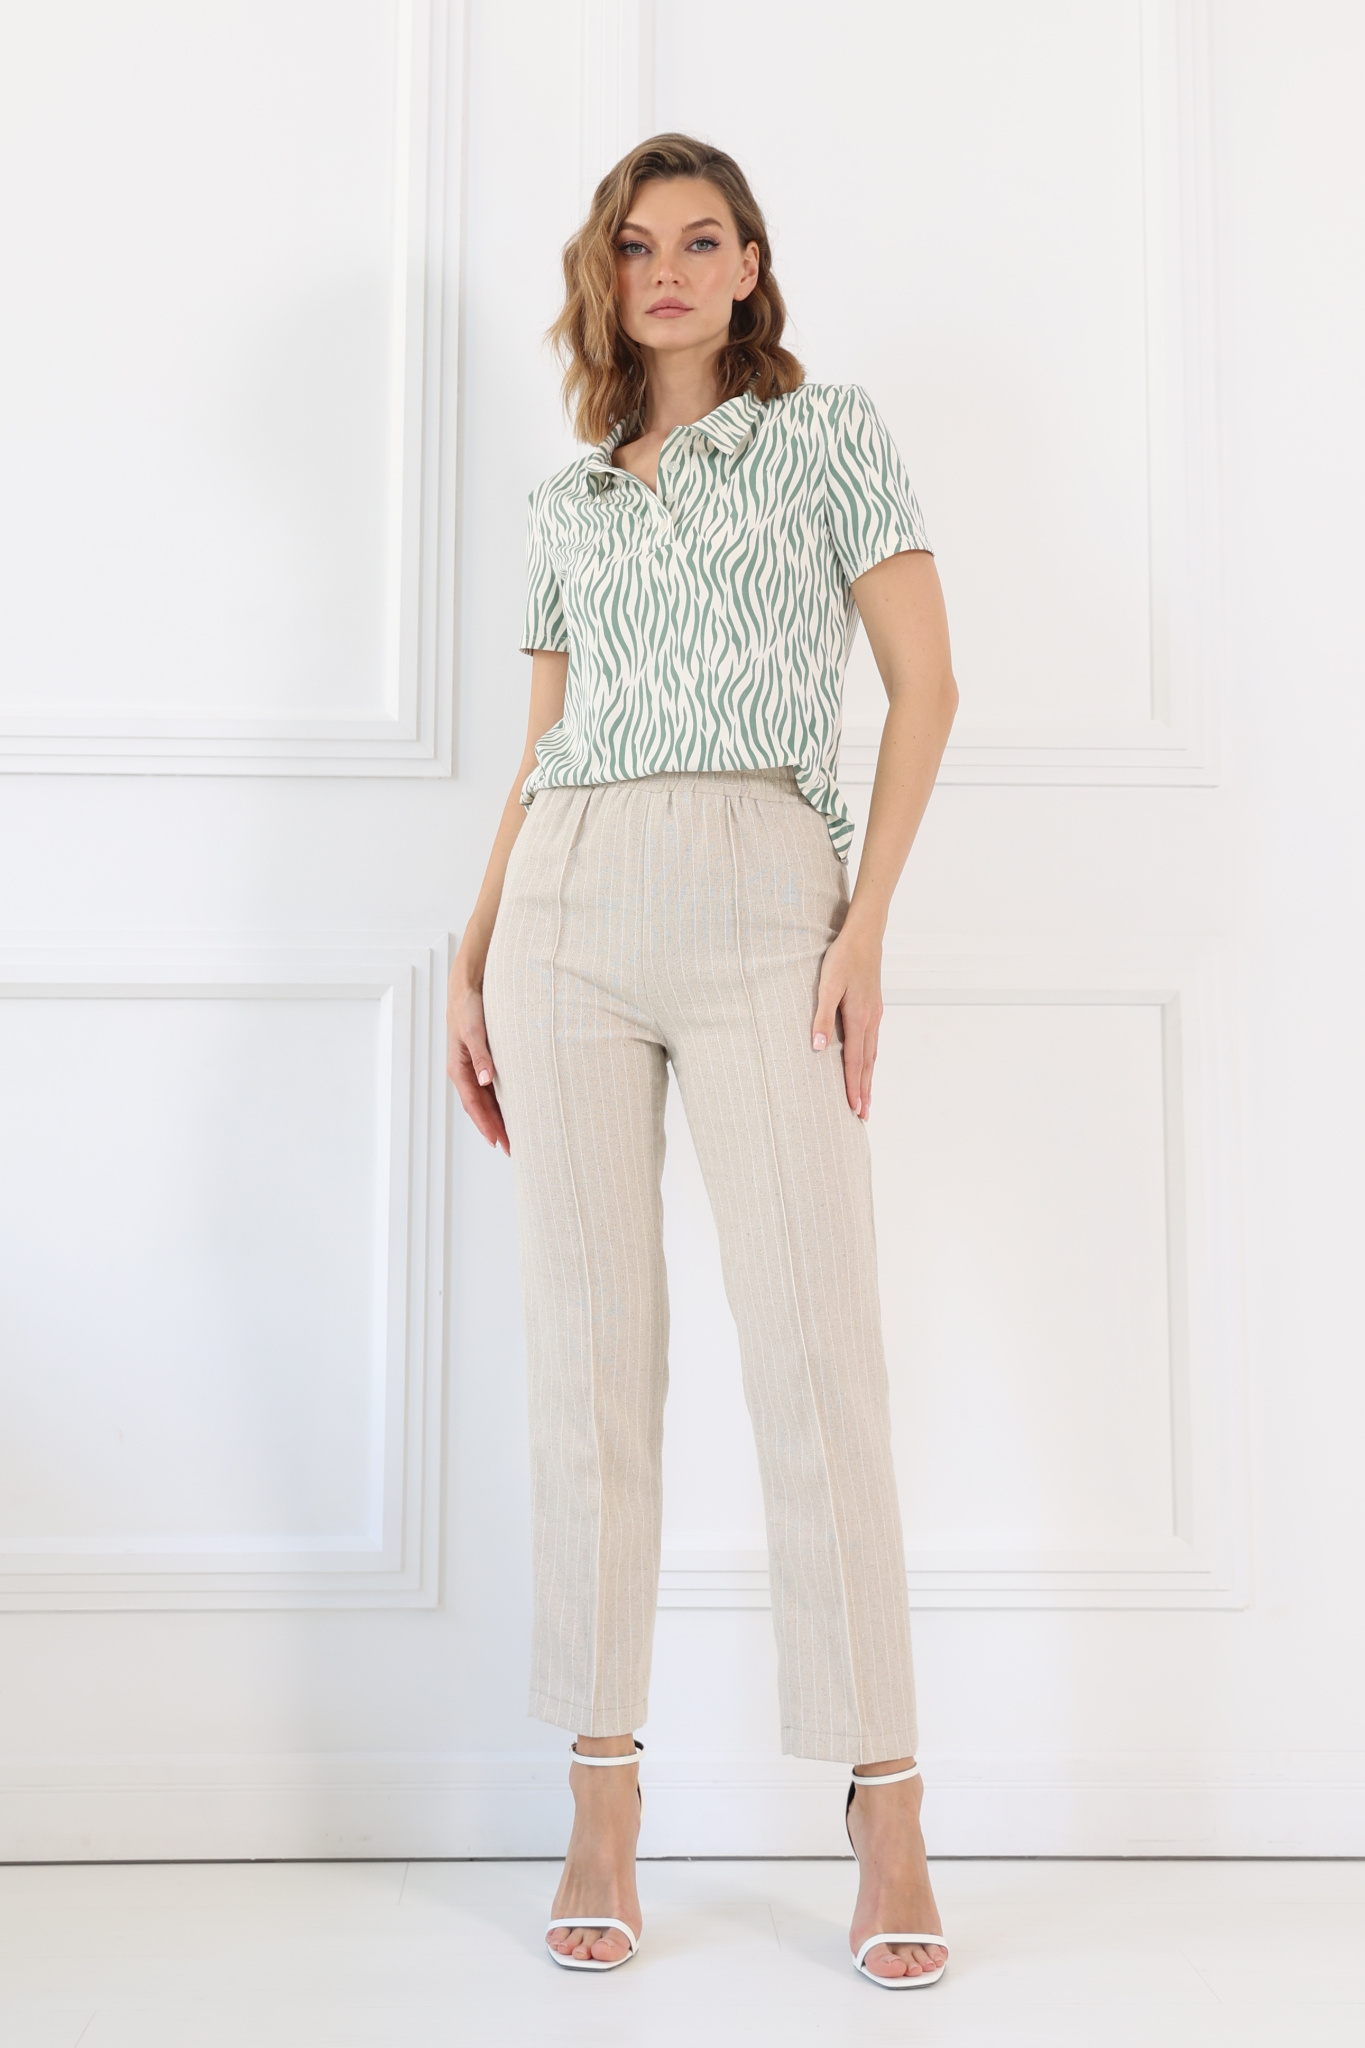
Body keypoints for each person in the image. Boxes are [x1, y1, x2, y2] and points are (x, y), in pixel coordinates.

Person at [447, 133, 958, 1989]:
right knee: (589, 1356)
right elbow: (543, 745)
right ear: (608, 276)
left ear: (749, 266)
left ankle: (885, 1803)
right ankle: (600, 1795)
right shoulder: (569, 501)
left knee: (815, 1348)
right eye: (634, 242)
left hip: (762, 888)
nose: (664, 266)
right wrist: (473, 945)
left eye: (701, 237)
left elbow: (926, 687)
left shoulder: (827, 438)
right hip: (567, 907)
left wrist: (864, 923)